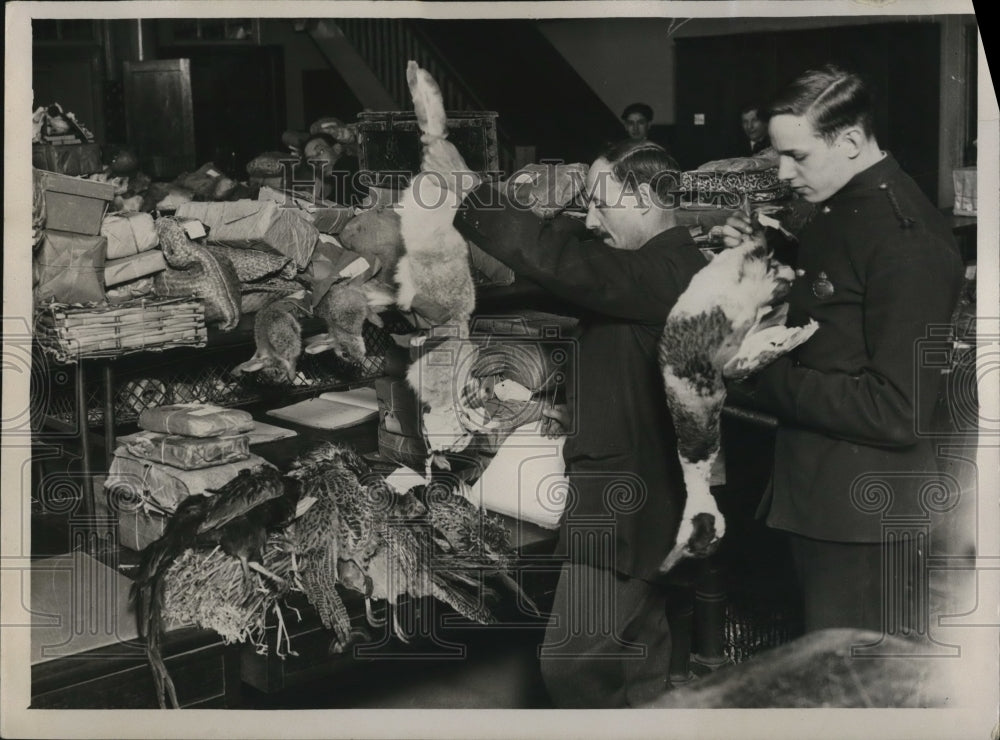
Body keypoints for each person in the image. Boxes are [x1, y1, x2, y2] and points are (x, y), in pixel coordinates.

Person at [424, 138, 707, 707]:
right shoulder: (656, 268)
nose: (592, 217)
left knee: (571, 663)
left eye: (602, 202)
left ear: (650, 196)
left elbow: (564, 262)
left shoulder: (669, 270)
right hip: (642, 496)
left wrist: (469, 191)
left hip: (627, 508)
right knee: (639, 651)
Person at [722, 65, 964, 634]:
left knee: (850, 696)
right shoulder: (848, 202)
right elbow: (840, 291)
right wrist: (769, 247)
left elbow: (897, 411)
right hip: (823, 496)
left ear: (852, 140)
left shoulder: (909, 243)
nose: (783, 172)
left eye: (797, 156)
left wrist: (762, 374)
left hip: (863, 518)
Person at [301, 132, 360, 206]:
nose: (316, 161)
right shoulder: (340, 180)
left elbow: (344, 207)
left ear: (337, 149)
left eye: (320, 151)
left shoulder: (347, 164)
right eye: (311, 160)